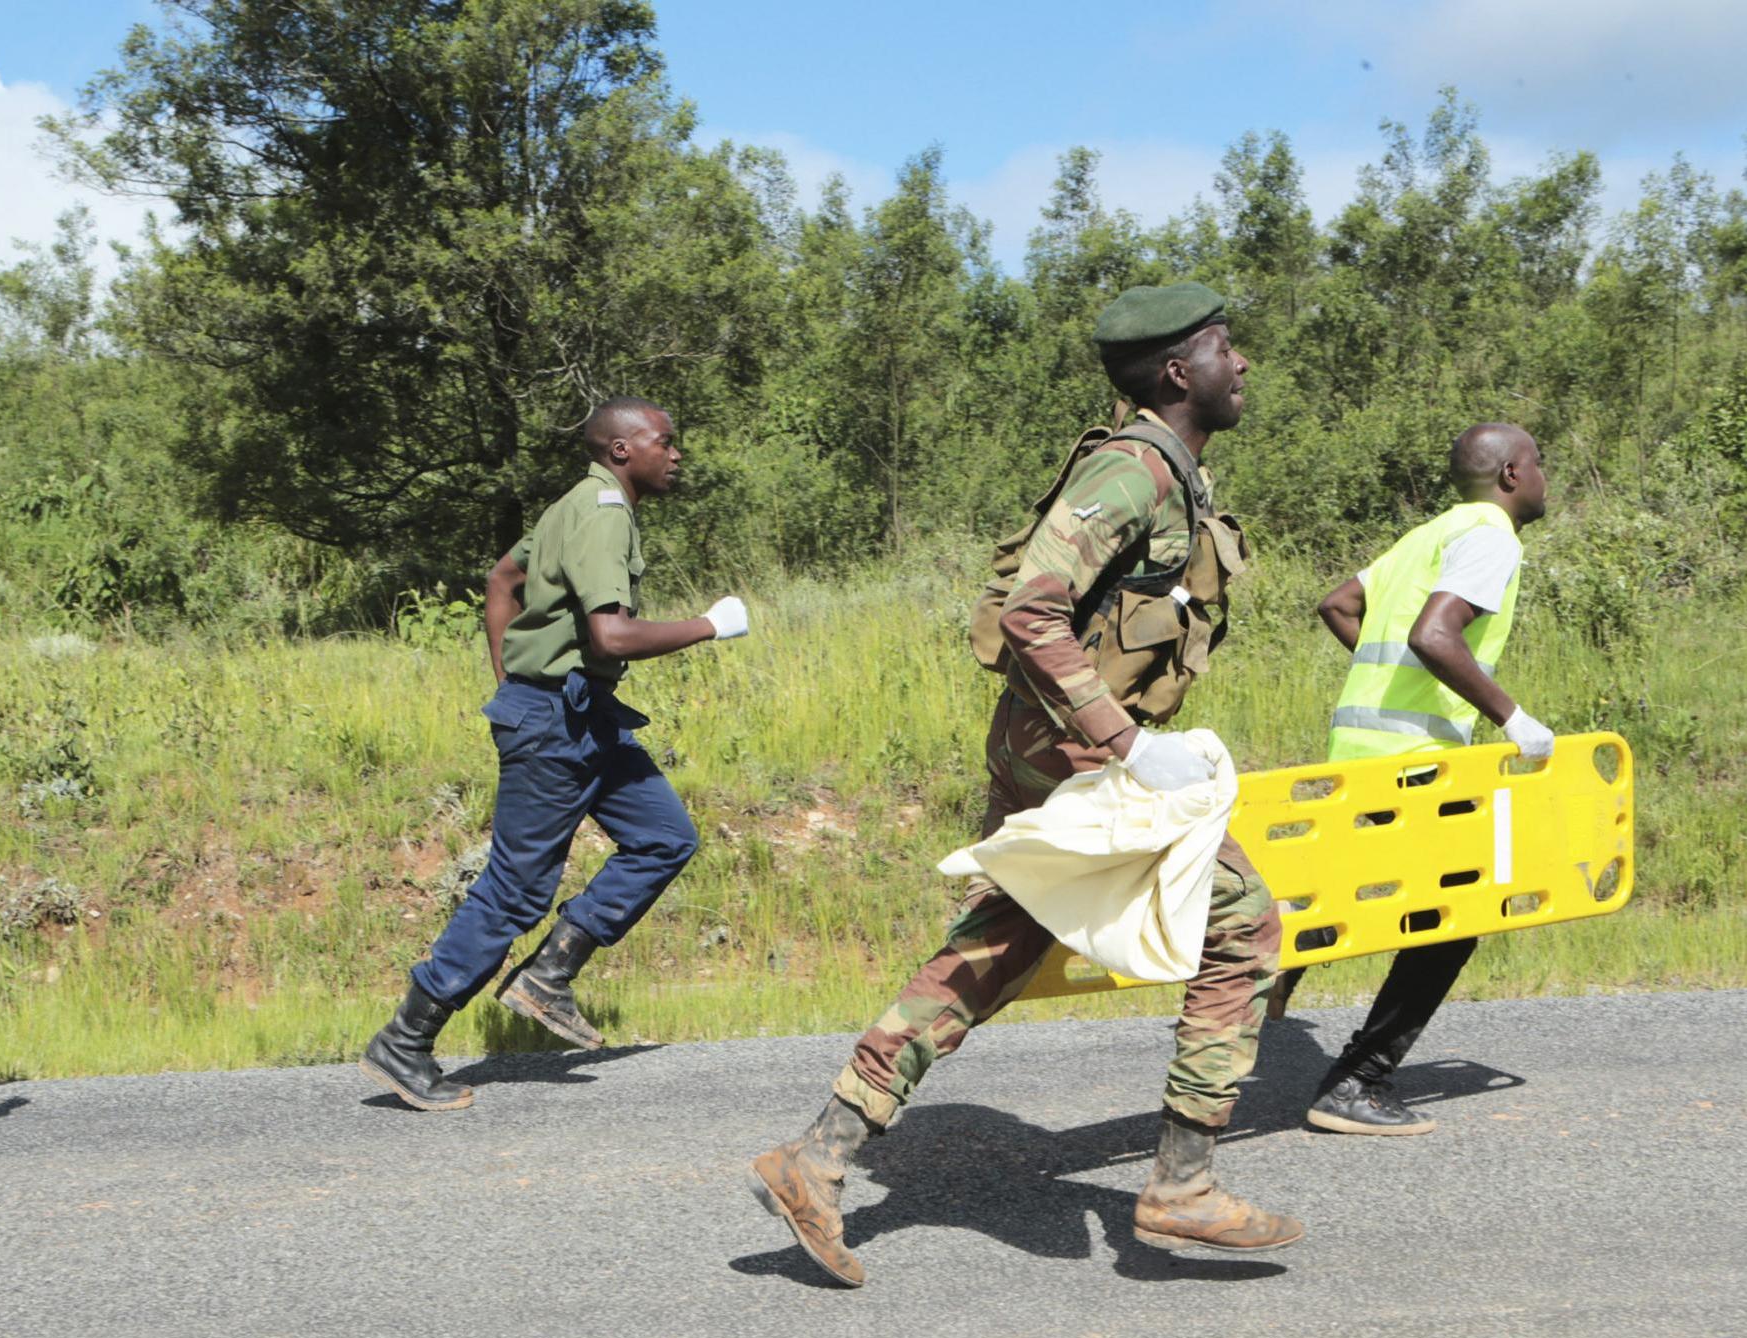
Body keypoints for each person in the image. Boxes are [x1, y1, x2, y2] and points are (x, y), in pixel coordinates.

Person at [745, 282, 1302, 1287]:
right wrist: (1125, 744)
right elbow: (1030, 611)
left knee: (998, 942)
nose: (1242, 362)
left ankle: (817, 1155)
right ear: (1179, 370)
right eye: (1224, 346)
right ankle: (1179, 1182)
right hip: (1073, 753)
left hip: (1047, 744)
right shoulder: (1129, 472)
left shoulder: (1170, 473)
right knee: (1243, 925)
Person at [360, 398, 749, 1110]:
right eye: (667, 441)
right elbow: (611, 637)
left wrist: (511, 678)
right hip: (556, 720)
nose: (677, 453)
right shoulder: (601, 512)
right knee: (515, 888)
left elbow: (502, 581)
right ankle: (407, 1037)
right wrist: (709, 625)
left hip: (584, 714)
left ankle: (548, 975)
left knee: (664, 835)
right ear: (624, 450)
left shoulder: (572, 505)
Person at [1280, 422, 1552, 1136]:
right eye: (1540, 463)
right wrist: (1513, 718)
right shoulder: (1492, 535)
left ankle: (1278, 957)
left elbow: (1338, 604)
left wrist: (1399, 682)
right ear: (1512, 474)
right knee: (1455, 915)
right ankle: (1357, 1081)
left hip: (1359, 747)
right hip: (1415, 756)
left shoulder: (1425, 535)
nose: (1546, 475)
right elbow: (1434, 635)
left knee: (1390, 893)